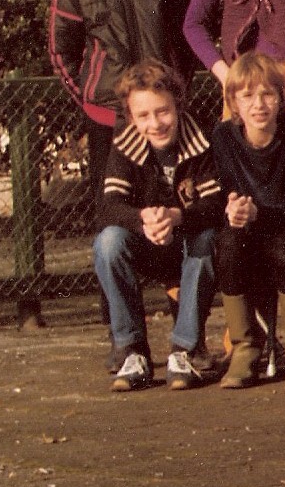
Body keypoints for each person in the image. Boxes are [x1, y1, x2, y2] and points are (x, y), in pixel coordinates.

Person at [48, 0, 193, 198]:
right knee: (116, 216)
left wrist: (176, 92)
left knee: (171, 207)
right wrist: (90, 99)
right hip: (108, 120)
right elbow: (61, 52)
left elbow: (186, 40)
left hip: (164, 116)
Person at [91, 60, 221, 392]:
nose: (155, 123)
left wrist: (178, 216)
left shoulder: (202, 140)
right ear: (131, 117)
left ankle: (185, 349)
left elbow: (214, 203)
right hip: (146, 241)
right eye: (144, 115)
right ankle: (132, 350)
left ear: (178, 105)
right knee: (108, 243)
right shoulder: (125, 144)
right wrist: (142, 219)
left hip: (188, 243)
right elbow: (109, 205)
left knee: (208, 239)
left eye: (162, 112)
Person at [208, 52, 285, 388]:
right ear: (233, 102)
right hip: (244, 232)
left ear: (282, 97)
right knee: (226, 242)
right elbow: (222, 194)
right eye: (248, 95)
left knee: (284, 243)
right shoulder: (223, 137)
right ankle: (245, 347)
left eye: (267, 93)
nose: (259, 104)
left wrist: (259, 211)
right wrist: (234, 210)